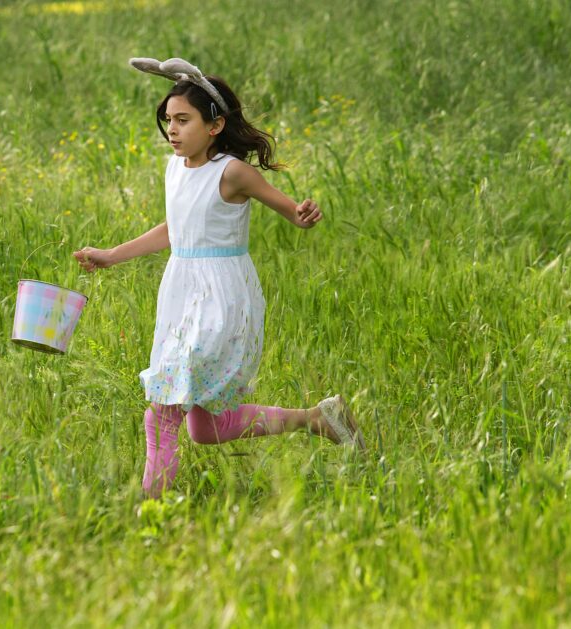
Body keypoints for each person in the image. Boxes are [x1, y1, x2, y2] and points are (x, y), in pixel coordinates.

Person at [73, 58, 366, 498]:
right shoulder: (175, 168)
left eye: (183, 120)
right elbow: (176, 229)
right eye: (168, 120)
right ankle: (317, 419)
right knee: (207, 427)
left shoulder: (232, 172)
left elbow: (294, 214)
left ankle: (153, 508)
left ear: (214, 126)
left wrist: (305, 214)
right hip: (181, 295)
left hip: (219, 298)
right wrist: (112, 255)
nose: (172, 129)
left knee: (163, 411)